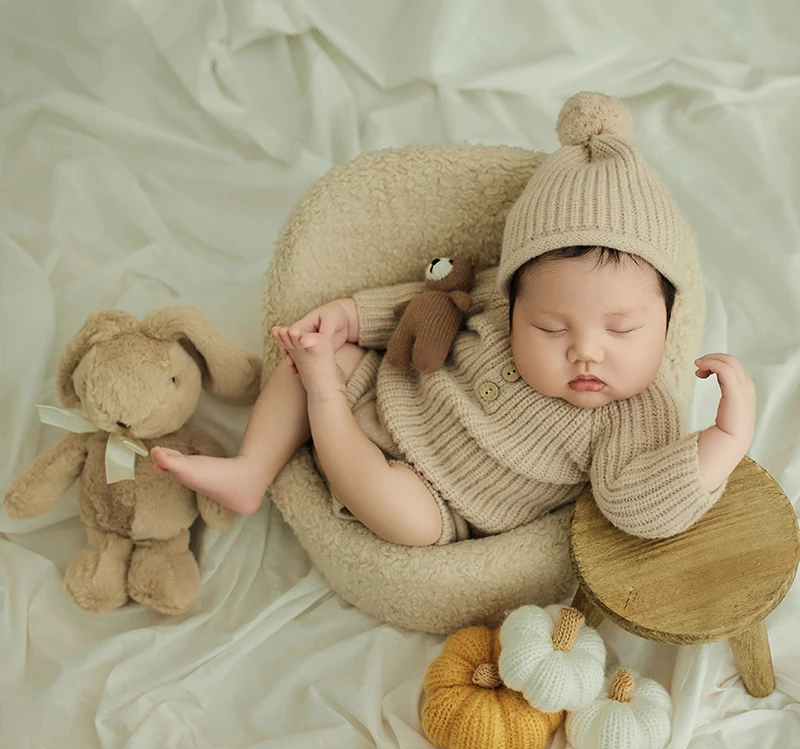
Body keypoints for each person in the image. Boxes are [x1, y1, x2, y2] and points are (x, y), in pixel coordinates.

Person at [150, 92, 756, 548]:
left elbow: (638, 502)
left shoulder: (635, 416)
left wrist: (725, 440)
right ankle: (252, 468)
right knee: (316, 350)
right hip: (391, 391)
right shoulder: (497, 294)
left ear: (669, 320)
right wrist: (346, 317)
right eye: (550, 328)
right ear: (517, 302)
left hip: (441, 500)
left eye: (622, 331)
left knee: (406, 522)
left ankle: (322, 404)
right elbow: (423, 307)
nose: (586, 352)